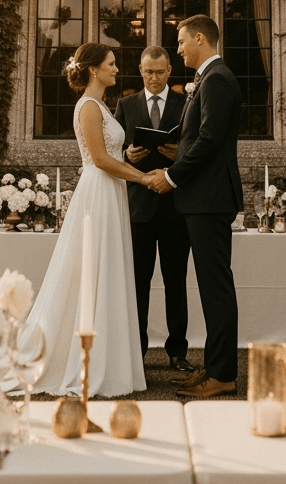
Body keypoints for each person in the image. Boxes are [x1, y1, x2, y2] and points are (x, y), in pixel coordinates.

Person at [23, 43, 152, 396]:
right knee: (92, 268)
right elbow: (98, 159)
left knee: (108, 268)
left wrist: (128, 154)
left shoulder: (102, 106)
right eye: (111, 64)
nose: (116, 69)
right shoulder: (89, 107)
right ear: (94, 69)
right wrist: (141, 177)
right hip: (99, 190)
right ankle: (85, 360)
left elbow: (110, 153)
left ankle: (111, 360)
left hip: (111, 191)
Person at [147, 15, 242, 398]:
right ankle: (215, 368)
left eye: (182, 41)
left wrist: (171, 176)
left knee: (216, 289)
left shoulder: (216, 79)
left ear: (200, 39)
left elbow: (209, 141)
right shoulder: (208, 78)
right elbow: (198, 138)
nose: (180, 47)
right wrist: (177, 147)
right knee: (209, 287)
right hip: (202, 198)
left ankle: (223, 376)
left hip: (209, 198)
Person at [114, 45, 193, 372]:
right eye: (149, 72)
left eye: (160, 72)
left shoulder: (185, 103)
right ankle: (137, 353)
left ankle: (178, 352)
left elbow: (196, 147)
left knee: (176, 282)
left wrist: (180, 155)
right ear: (140, 70)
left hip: (176, 208)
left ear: (170, 70)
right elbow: (109, 152)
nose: (155, 78)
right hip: (139, 210)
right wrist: (126, 157)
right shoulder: (126, 105)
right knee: (138, 284)